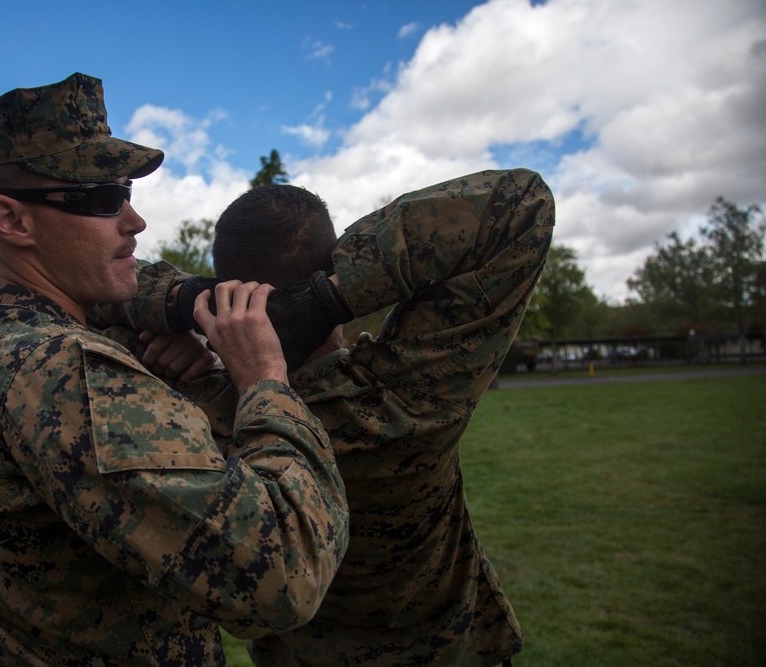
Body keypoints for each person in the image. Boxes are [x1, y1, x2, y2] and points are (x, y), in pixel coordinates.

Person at [0, 72, 349, 666]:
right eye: (101, 198)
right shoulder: (62, 370)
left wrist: (183, 342)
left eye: (126, 191)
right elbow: (285, 574)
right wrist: (264, 380)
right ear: (13, 221)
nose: (134, 220)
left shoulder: (15, 346)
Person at [130, 168, 555, 666]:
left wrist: (191, 306)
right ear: (330, 263)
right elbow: (519, 204)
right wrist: (331, 296)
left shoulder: (205, 416)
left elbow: (83, 286)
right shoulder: (404, 399)